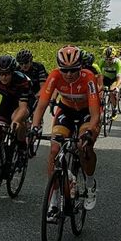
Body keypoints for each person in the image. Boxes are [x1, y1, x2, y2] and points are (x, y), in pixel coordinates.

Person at [30, 46, 101, 216]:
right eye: (64, 70)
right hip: (66, 110)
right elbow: (41, 105)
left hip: (86, 112)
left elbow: (95, 114)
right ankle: (54, 197)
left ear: (80, 67)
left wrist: (90, 131)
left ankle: (90, 184)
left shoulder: (88, 77)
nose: (68, 74)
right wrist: (34, 127)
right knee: (54, 150)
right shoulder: (55, 75)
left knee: (84, 146)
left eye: (73, 70)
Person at [15, 49, 49, 121]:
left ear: (31, 61)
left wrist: (38, 95)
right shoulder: (17, 70)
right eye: (21, 64)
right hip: (25, 92)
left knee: (38, 101)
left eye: (26, 62)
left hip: (37, 89)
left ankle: (38, 119)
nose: (24, 65)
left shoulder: (39, 67)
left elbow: (43, 86)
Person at [100, 47, 121, 118]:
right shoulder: (102, 61)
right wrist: (100, 85)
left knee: (112, 92)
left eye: (110, 59)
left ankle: (114, 109)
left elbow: (119, 78)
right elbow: (100, 76)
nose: (108, 61)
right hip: (105, 78)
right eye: (106, 59)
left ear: (115, 57)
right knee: (99, 90)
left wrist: (116, 87)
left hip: (114, 79)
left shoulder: (118, 62)